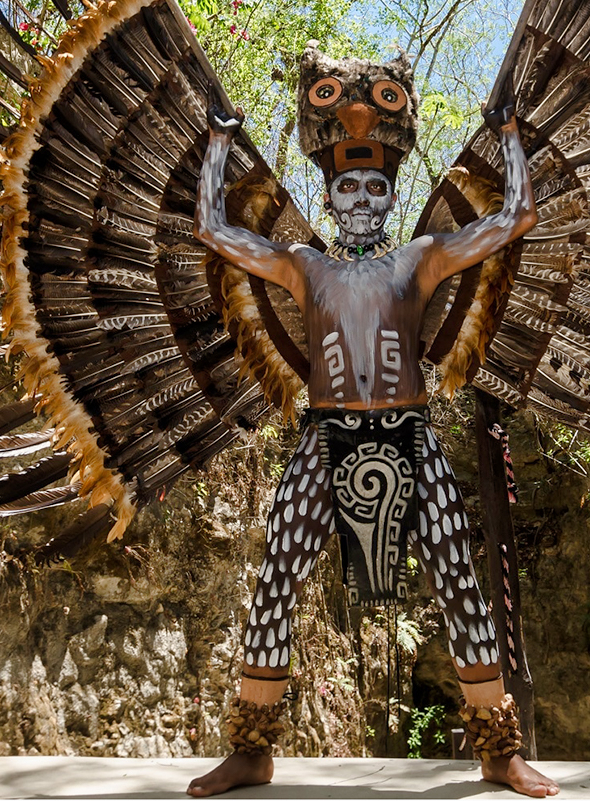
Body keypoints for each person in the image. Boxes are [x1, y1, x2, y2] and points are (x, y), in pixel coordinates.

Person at [186, 73, 557, 797]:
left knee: (458, 579)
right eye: (348, 189)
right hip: (324, 439)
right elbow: (213, 232)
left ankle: (499, 751)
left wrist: (510, 136)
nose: (361, 199)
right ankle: (251, 749)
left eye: (376, 189)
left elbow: (516, 216)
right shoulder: (306, 266)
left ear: (391, 198)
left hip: (411, 436)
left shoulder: (420, 258)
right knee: (278, 577)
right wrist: (219, 144)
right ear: (328, 199)